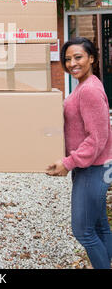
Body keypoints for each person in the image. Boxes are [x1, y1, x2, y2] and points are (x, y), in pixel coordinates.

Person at [46, 37, 112, 269]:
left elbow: (96, 139)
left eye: (78, 57)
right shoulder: (86, 84)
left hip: (93, 169)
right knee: (99, 226)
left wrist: (69, 162)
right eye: (67, 59)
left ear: (92, 58)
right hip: (96, 167)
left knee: (83, 231)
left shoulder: (89, 90)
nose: (72, 63)